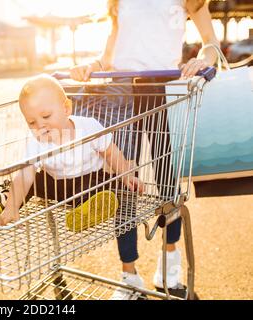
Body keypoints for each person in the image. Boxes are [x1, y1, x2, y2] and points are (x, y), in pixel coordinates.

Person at [69, 0, 220, 299]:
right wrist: (92, 66)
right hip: (121, 94)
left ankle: (169, 268)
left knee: (167, 187)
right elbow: (109, 56)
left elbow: (211, 43)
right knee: (124, 187)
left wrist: (204, 59)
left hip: (165, 93)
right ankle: (129, 278)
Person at [0, 74, 144, 230]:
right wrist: (13, 207)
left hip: (88, 181)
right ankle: (5, 200)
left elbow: (111, 153)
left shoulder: (89, 127)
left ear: (66, 108)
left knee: (101, 184)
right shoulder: (36, 142)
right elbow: (25, 176)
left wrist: (126, 175)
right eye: (31, 122)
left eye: (46, 116)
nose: (40, 125)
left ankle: (88, 210)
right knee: (32, 180)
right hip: (57, 187)